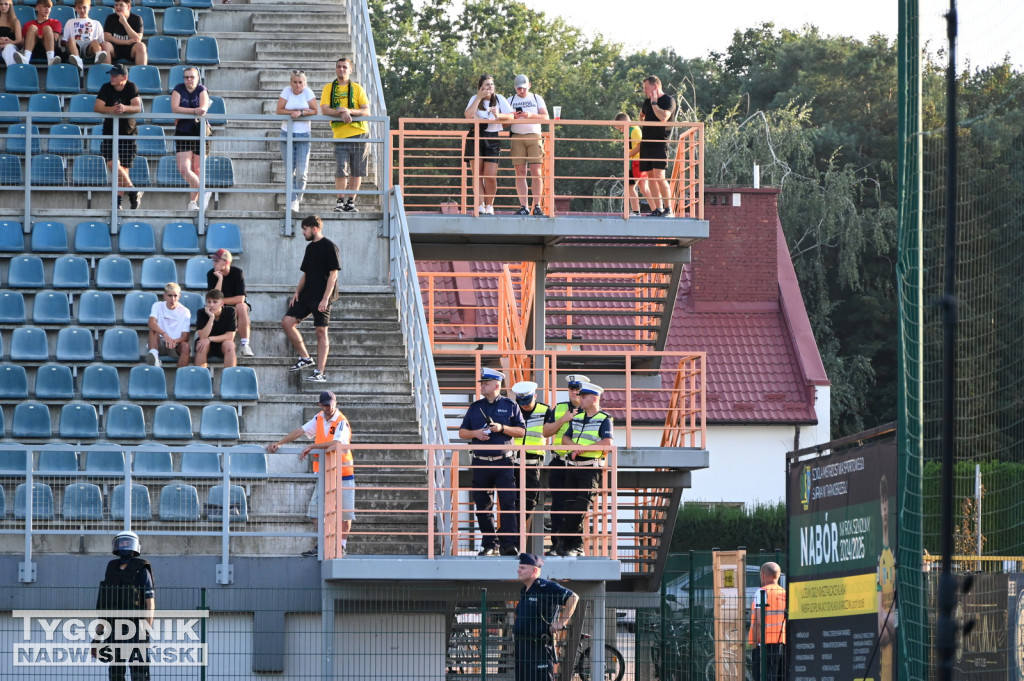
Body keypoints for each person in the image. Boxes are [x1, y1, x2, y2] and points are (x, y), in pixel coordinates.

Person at [267, 390, 354, 558]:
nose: (329, 407)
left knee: (345, 513)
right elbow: (300, 430)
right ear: (320, 405)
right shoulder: (319, 418)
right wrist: (279, 443)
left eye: (331, 404)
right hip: (325, 473)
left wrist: (312, 447)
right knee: (315, 510)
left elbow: (336, 442)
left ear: (335, 404)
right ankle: (322, 546)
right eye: (326, 405)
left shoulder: (341, 421)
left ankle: (341, 547)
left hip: (343, 472)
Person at [458, 368, 527, 556]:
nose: (482, 386)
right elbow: (462, 432)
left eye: (485, 383)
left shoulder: (510, 405)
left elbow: (521, 431)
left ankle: (509, 544)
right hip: (481, 462)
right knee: (482, 505)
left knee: (508, 503)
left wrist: (501, 428)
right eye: (481, 383)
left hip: (503, 461)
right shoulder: (474, 407)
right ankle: (489, 544)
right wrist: (476, 434)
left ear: (497, 385)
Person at [282, 215, 340, 383]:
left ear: (314, 228)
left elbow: (333, 274)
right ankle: (305, 358)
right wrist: (297, 292)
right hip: (307, 295)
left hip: (322, 297)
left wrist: (325, 299)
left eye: (305, 229)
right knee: (287, 322)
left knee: (321, 332)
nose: (303, 232)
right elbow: (306, 273)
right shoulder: (310, 248)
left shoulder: (330, 246)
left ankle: (319, 372)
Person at [559, 381, 613, 557]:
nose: (579, 398)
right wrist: (576, 447)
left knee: (580, 506)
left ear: (594, 398)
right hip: (572, 468)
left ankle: (565, 539)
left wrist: (582, 449)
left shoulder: (604, 419)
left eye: (584, 396)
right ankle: (574, 546)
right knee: (569, 507)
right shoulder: (577, 417)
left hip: (590, 468)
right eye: (580, 395)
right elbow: (564, 439)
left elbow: (607, 443)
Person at [92, 531, 155, 681]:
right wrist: (96, 638)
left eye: (128, 542)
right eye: (122, 542)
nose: (125, 545)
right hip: (114, 629)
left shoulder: (142, 569)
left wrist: (146, 631)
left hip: (136, 628)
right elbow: (105, 607)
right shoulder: (111, 568)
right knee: (115, 672)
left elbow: (150, 604)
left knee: (139, 673)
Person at [513, 553, 579, 681]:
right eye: (519, 567)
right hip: (522, 647)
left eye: (522, 568)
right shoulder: (524, 590)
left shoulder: (545, 587)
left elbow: (573, 597)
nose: (518, 570)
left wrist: (561, 622)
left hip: (538, 647)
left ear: (535, 570)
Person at [542, 374, 588, 556]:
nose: (574, 392)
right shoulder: (560, 408)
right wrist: (563, 420)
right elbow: (546, 432)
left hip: (580, 464)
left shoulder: (591, 410)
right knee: (558, 506)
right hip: (560, 462)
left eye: (578, 389)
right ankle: (556, 545)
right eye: (571, 389)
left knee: (576, 507)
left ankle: (573, 545)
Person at [320, 57, 369, 213]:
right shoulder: (329, 88)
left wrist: (349, 111)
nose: (341, 70)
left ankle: (351, 202)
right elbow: (325, 109)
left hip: (360, 133)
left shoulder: (357, 88)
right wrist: (340, 112)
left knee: (357, 170)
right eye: (339, 67)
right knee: (341, 169)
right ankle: (340, 200)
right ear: (336, 69)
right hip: (340, 134)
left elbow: (366, 111)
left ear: (350, 70)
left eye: (344, 67)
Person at [93, 63, 142, 210]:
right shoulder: (106, 87)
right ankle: (133, 191)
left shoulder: (131, 87)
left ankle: (117, 202)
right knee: (112, 164)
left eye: (115, 75)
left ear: (124, 77)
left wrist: (125, 108)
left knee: (123, 170)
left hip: (128, 133)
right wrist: (112, 110)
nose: (111, 77)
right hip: (110, 132)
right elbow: (97, 107)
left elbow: (137, 107)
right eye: (111, 75)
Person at [464, 74, 512, 216]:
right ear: (481, 87)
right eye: (486, 84)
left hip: (492, 138)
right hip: (476, 136)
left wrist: (498, 115)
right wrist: (479, 97)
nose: (490, 87)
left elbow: (510, 117)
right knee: (477, 175)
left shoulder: (499, 99)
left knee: (490, 176)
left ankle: (490, 205)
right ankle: (480, 205)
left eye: (491, 84)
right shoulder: (474, 99)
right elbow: (468, 115)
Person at [511, 380, 551, 539]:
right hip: (512, 461)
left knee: (529, 501)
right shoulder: (512, 409)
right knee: (511, 501)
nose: (525, 406)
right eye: (522, 402)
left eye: (527, 401)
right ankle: (509, 535)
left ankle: (506, 534)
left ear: (535, 395)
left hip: (533, 462)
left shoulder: (545, 410)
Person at [507, 74, 549, 216]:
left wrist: (530, 115)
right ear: (515, 88)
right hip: (517, 136)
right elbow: (503, 121)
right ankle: (523, 206)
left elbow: (545, 117)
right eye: (519, 88)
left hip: (534, 136)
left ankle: (537, 205)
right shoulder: (510, 100)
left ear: (529, 86)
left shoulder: (537, 98)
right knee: (520, 173)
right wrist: (514, 116)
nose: (522, 91)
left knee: (536, 171)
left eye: (524, 88)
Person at [277, 69, 318, 213]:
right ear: (290, 83)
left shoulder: (308, 92)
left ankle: (296, 200)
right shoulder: (286, 91)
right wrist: (292, 113)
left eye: (300, 82)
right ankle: (291, 200)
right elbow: (279, 110)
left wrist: (301, 113)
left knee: (301, 172)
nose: (297, 85)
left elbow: (314, 110)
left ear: (304, 83)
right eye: (295, 82)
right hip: (286, 134)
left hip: (303, 135)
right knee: (290, 170)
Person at [170, 66, 210, 211]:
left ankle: (193, 203)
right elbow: (175, 109)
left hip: (200, 132)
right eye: (186, 77)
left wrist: (186, 111)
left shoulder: (201, 89)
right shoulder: (178, 88)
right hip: (183, 131)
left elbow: (203, 108)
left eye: (192, 77)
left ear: (197, 78)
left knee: (197, 169)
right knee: (184, 169)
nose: (189, 80)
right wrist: (193, 111)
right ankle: (204, 191)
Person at [639, 76, 676, 217]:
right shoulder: (646, 102)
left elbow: (663, 117)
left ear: (655, 87)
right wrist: (642, 123)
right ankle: (657, 209)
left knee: (659, 176)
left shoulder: (668, 100)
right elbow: (641, 115)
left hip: (659, 143)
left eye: (646, 88)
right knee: (650, 176)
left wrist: (654, 103)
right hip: (646, 143)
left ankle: (668, 209)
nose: (644, 91)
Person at [207, 248, 253, 357]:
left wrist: (220, 301)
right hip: (220, 307)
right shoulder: (211, 274)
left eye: (217, 261)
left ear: (226, 262)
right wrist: (220, 279)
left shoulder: (237, 273)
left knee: (241, 306)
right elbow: (213, 298)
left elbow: (240, 299)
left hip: (234, 306)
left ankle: (245, 345)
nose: (214, 264)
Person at [749, 561, 786, 681]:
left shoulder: (762, 592)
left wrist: (755, 646)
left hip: (764, 646)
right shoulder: (785, 593)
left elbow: (759, 622)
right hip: (782, 644)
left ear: (763, 575)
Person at [877, 475, 896, 681]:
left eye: (886, 503)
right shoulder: (881, 558)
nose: (883, 510)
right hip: (884, 659)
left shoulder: (894, 557)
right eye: (881, 503)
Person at [146, 282, 190, 368]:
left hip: (175, 345)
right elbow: (151, 322)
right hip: (159, 344)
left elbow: (186, 336)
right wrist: (165, 335)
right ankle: (154, 358)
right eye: (170, 296)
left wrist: (174, 341)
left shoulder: (185, 311)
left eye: (175, 296)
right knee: (153, 329)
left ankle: (180, 377)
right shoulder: (157, 305)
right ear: (164, 296)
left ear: (179, 296)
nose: (173, 299)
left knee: (186, 346)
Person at [193, 289, 236, 369]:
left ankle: (230, 378)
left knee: (229, 344)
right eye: (209, 302)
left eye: (215, 302)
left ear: (222, 303)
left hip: (222, 344)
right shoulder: (201, 312)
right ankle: (200, 378)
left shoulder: (230, 311)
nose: (211, 305)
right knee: (202, 345)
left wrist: (210, 339)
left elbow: (230, 336)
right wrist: (211, 318)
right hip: (206, 344)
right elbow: (202, 336)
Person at [61, 0, 109, 71]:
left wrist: (97, 47)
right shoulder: (70, 22)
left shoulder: (96, 23)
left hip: (89, 48)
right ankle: (77, 59)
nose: (82, 10)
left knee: (95, 41)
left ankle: (98, 56)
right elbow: (64, 41)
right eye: (79, 8)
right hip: (75, 47)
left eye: (84, 7)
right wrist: (67, 43)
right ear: (75, 8)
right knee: (71, 40)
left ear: (89, 7)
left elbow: (101, 41)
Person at [615, 112, 646, 216]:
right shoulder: (631, 130)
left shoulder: (634, 130)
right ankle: (657, 208)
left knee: (630, 187)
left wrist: (628, 155)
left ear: (625, 122)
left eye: (620, 128)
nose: (621, 131)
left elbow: (640, 146)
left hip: (636, 162)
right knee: (643, 188)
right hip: (636, 162)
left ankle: (636, 212)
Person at [19, 0, 65, 66]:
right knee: (32, 28)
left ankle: (51, 60)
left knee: (47, 28)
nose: (47, 9)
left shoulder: (55, 22)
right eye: (45, 6)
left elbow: (55, 38)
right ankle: (26, 59)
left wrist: (38, 36)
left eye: (49, 7)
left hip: (50, 49)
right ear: (37, 7)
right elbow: (23, 43)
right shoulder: (28, 24)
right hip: (34, 50)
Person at [102, 0, 145, 66]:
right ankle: (106, 73)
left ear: (128, 7)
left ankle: (141, 73)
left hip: (130, 48)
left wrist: (125, 23)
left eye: (121, 5)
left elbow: (137, 39)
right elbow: (107, 37)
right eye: (116, 5)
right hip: (115, 47)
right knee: (105, 45)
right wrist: (126, 42)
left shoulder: (137, 19)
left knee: (141, 46)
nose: (118, 7)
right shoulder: (110, 18)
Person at [0, 0, 22, 67]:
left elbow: (19, 40)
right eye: (0, 4)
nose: (3, 6)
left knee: (8, 48)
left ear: (10, 6)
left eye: (6, 4)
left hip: (11, 46)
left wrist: (8, 43)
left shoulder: (15, 21)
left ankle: (13, 71)